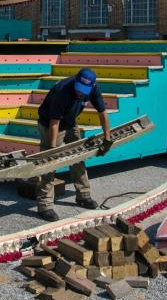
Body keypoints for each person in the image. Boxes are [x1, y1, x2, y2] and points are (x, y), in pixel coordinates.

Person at [35, 68, 112, 221]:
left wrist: (107, 138)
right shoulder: (62, 91)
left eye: (84, 90)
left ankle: (83, 195)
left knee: (78, 156)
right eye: (78, 88)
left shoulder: (94, 89)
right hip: (50, 124)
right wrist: (52, 150)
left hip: (69, 121)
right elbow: (54, 123)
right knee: (50, 164)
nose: (80, 93)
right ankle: (45, 206)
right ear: (75, 80)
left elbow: (102, 113)